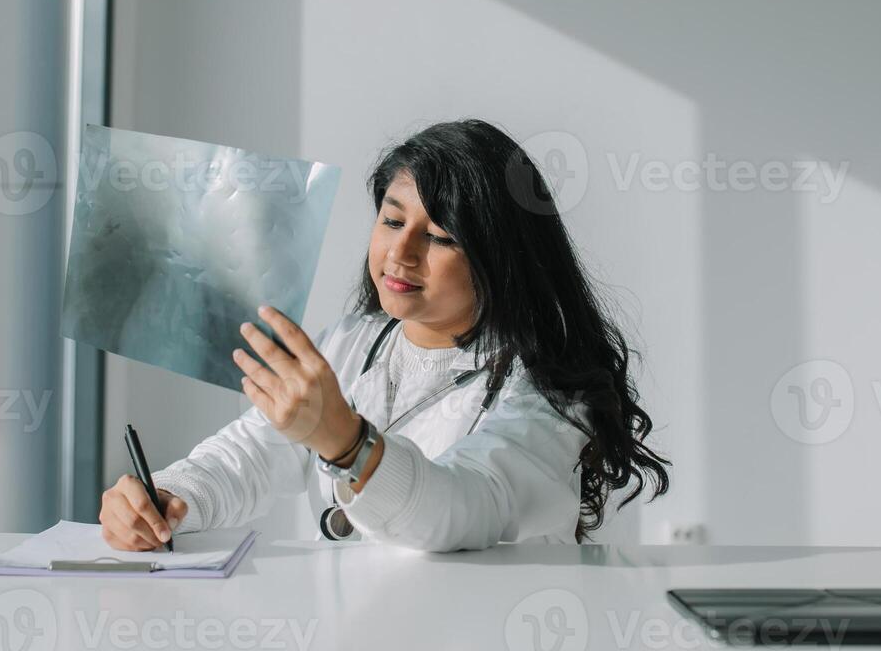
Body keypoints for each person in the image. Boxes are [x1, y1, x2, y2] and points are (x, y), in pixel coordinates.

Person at [98, 119, 669, 552]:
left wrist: (346, 442)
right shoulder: (352, 343)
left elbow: (460, 508)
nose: (400, 252)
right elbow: (247, 455)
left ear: (502, 260)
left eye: (440, 236)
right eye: (392, 221)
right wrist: (167, 497)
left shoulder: (547, 390)